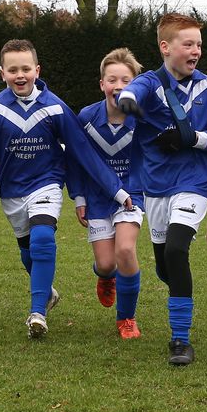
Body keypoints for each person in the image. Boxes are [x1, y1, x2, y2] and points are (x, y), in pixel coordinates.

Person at [0, 39, 132, 341]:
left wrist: (116, 191)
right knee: (28, 253)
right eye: (13, 70)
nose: (20, 75)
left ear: (37, 70)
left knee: (43, 238)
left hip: (47, 183)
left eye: (26, 69)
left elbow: (82, 151)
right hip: (12, 191)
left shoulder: (55, 107)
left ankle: (37, 313)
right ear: (2, 74)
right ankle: (48, 292)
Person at [115, 12, 207, 366]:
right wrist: (127, 101)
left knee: (177, 250)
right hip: (155, 187)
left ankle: (180, 340)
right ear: (165, 47)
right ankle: (179, 293)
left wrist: (193, 138)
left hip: (194, 182)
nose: (196, 50)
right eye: (188, 44)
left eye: (199, 44)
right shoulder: (150, 83)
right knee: (165, 267)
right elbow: (132, 92)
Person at [71, 48, 147, 339]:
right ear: (102, 83)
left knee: (125, 249)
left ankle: (126, 318)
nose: (118, 86)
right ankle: (106, 277)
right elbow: (76, 160)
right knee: (106, 264)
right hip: (97, 197)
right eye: (112, 79)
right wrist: (79, 197)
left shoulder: (144, 119)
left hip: (133, 194)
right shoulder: (86, 117)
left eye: (126, 81)